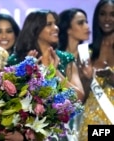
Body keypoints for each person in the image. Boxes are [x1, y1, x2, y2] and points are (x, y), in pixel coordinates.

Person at [7, 9, 85, 101]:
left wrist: (55, 71)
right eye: (49, 24)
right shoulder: (16, 60)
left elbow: (80, 97)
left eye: (55, 23)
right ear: (35, 29)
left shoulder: (65, 59)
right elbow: (10, 97)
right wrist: (27, 72)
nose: (56, 27)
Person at [79, 0, 114, 140]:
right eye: (103, 14)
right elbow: (80, 97)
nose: (107, 19)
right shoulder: (85, 52)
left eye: (112, 14)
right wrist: (86, 79)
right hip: (91, 122)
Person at [58, 8, 91, 141]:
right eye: (81, 23)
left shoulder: (92, 54)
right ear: (68, 29)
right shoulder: (57, 58)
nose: (87, 27)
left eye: (87, 22)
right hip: (64, 122)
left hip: (91, 118)